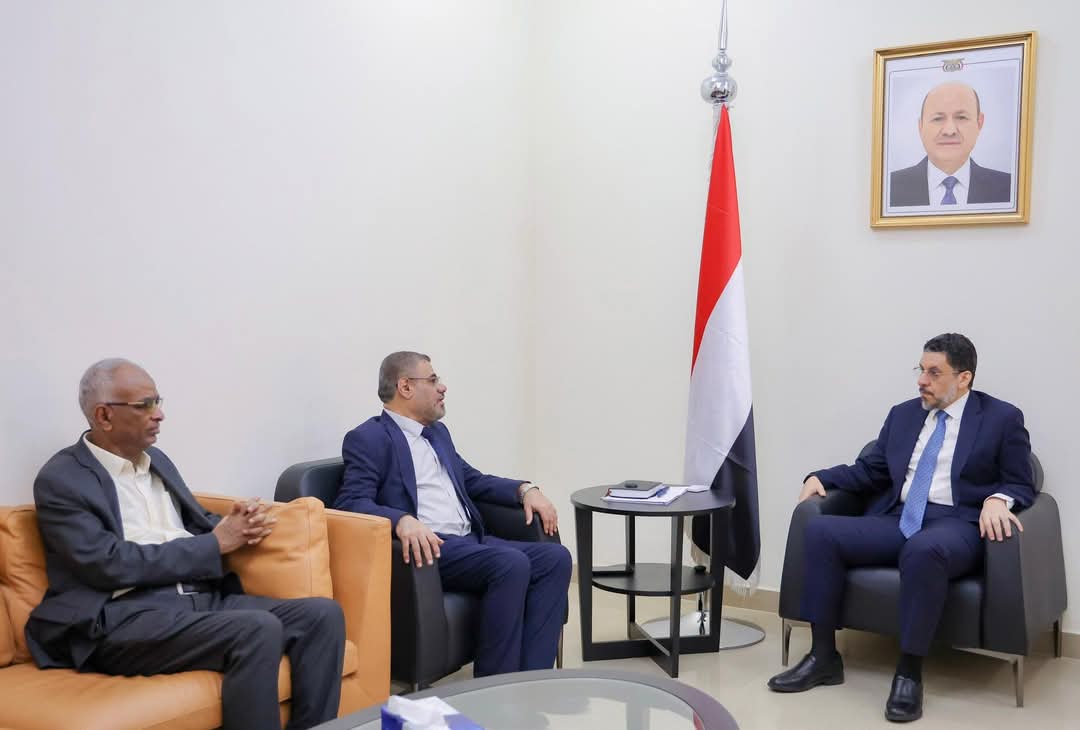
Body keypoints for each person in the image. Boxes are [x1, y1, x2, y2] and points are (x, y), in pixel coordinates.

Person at [27, 358, 345, 730]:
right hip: (123, 618)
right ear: (104, 415)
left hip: (198, 601)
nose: (159, 414)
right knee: (257, 628)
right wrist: (215, 544)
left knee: (322, 616)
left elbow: (190, 523)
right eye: (145, 405)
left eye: (158, 401)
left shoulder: (156, 460)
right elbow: (107, 564)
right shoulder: (62, 479)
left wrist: (236, 524)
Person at [766, 334, 1034, 723]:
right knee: (822, 532)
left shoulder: (1001, 419)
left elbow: (1021, 482)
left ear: (964, 378)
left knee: (924, 550)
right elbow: (871, 470)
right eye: (920, 370)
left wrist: (998, 499)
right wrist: (820, 476)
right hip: (900, 517)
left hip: (956, 524)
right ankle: (823, 657)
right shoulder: (904, 415)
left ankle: (908, 673)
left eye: (934, 372)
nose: (922, 380)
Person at [334, 351, 571, 677]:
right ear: (405, 387)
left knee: (556, 559)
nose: (442, 387)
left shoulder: (437, 434)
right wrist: (400, 520)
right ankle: (495, 687)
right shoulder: (369, 438)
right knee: (511, 563)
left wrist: (525, 489)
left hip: (471, 541)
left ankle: (533, 680)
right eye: (433, 380)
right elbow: (350, 502)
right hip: (431, 548)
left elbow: (472, 480)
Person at [889, 81, 1012, 207]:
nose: (949, 131)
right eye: (937, 119)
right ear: (920, 126)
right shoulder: (889, 188)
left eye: (961, 118)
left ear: (979, 123)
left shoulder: (1009, 188)